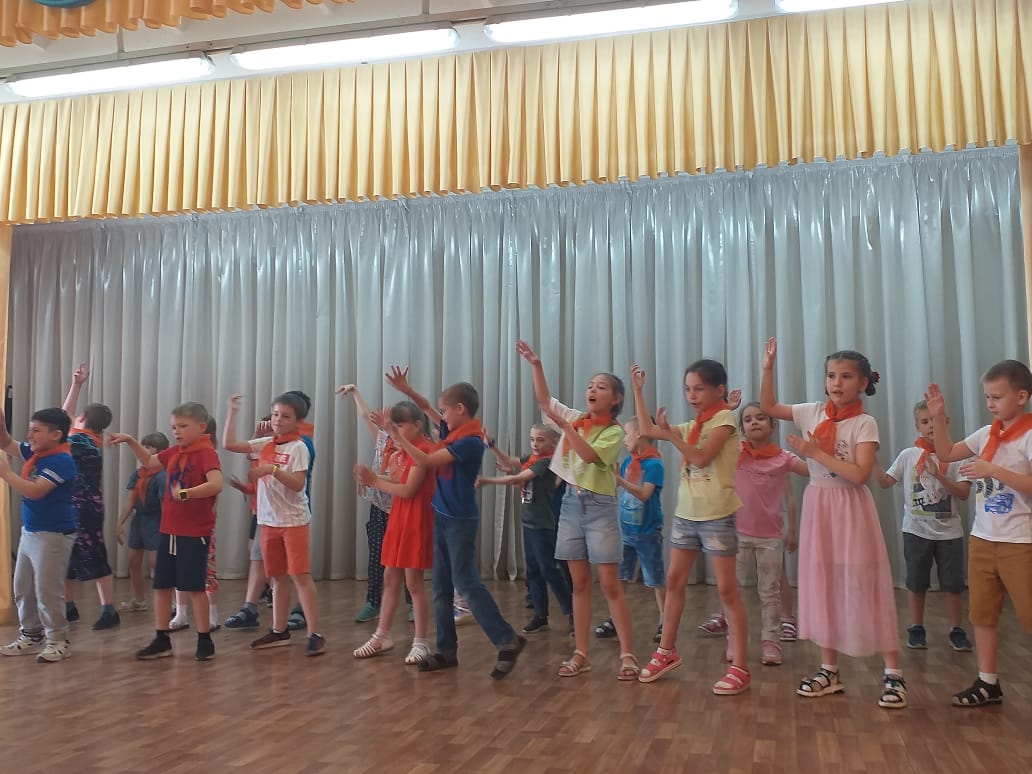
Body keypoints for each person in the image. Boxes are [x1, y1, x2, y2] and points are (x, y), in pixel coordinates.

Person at [760, 338, 906, 708]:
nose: (836, 382)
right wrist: (768, 368)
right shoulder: (812, 411)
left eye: (846, 376)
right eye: (831, 376)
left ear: (862, 383)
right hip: (820, 505)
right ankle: (829, 670)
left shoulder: (865, 423)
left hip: (851, 509)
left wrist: (815, 453)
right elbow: (769, 407)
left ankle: (894, 674)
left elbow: (859, 475)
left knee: (865, 584)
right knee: (823, 583)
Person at [385, 366, 526, 679]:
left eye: (446, 410)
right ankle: (446, 651)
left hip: (459, 520)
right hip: (442, 515)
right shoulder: (455, 432)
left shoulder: (470, 442)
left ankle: (507, 639)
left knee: (466, 583)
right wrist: (407, 390)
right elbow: (427, 408)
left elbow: (425, 460)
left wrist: (397, 435)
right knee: (441, 588)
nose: (442, 417)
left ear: (460, 409)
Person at [516, 341, 638, 681]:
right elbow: (545, 402)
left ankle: (627, 654)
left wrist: (566, 427)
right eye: (590, 386)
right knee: (579, 584)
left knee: (610, 584)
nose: (592, 391)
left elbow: (589, 456)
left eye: (601, 387)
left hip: (599, 507)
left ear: (616, 399)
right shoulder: (576, 419)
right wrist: (536, 365)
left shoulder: (613, 432)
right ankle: (581, 653)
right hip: (571, 504)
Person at [632, 361, 751, 695]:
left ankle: (740, 667)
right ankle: (666, 651)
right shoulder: (692, 425)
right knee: (673, 581)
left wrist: (671, 435)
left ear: (719, 390)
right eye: (687, 389)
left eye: (698, 389)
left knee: (726, 590)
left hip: (717, 514)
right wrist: (639, 392)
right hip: (687, 514)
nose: (691, 395)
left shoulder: (724, 419)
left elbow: (701, 458)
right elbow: (646, 431)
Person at [926, 362, 1032, 707]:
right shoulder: (987, 433)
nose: (990, 403)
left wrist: (992, 470)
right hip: (983, 539)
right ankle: (988, 682)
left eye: (997, 397)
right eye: (987, 397)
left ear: (1021, 396)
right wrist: (938, 417)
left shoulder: (1029, 435)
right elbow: (946, 453)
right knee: (983, 614)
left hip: (1020, 542)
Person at [111, 402, 222, 661]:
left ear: (201, 427)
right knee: (161, 586)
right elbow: (150, 461)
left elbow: (216, 484)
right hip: (169, 530)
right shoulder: (175, 452)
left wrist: (185, 493)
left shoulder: (206, 453)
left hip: (194, 532)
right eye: (174, 427)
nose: (177, 431)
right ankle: (162, 639)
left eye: (183, 426)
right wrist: (130, 441)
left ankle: (204, 639)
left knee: (195, 588)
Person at [223, 392, 325, 656]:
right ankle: (279, 631)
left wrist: (272, 469)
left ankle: (315, 633)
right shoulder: (266, 443)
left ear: (297, 421)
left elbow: (298, 484)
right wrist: (231, 412)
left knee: (300, 576)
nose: (278, 420)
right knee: (277, 578)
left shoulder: (299, 447)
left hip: (293, 521)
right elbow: (229, 444)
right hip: (268, 521)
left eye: (285, 416)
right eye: (276, 414)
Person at [874, 400, 972, 652]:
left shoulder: (958, 455)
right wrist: (870, 459)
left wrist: (939, 475)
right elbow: (885, 482)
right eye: (925, 422)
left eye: (935, 420)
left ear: (946, 422)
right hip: (915, 531)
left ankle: (956, 629)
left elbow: (963, 493)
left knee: (953, 584)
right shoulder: (909, 455)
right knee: (916, 582)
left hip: (950, 532)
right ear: (917, 426)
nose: (930, 426)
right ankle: (916, 627)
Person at [352, 401, 436, 664]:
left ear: (418, 425)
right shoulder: (405, 449)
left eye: (400, 425)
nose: (395, 431)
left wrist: (375, 480)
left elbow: (409, 490)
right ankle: (381, 636)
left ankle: (420, 642)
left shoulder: (425, 449)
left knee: (414, 583)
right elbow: (399, 480)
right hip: (399, 517)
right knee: (390, 577)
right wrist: (371, 478)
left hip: (416, 519)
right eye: (394, 426)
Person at [730, 402, 807, 666]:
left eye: (761, 418)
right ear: (742, 428)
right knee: (732, 591)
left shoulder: (783, 458)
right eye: (748, 419)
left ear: (773, 425)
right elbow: (716, 439)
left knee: (770, 592)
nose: (754, 422)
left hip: (770, 538)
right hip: (737, 536)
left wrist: (815, 450)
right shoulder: (736, 453)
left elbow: (812, 470)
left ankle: (771, 642)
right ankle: (734, 640)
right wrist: (728, 410)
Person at [478, 423, 573, 635]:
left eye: (540, 440)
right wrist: (492, 445)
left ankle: (572, 612)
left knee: (549, 570)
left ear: (554, 442)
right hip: (529, 523)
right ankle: (540, 615)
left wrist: (487, 480)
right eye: (532, 439)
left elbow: (518, 478)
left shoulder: (547, 462)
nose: (535, 444)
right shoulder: (533, 459)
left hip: (543, 525)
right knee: (534, 571)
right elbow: (510, 462)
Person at [0, 407, 77, 663]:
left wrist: (6, 473)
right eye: (30, 430)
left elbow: (36, 491)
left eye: (36, 431)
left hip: (53, 534)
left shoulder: (61, 460)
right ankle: (31, 635)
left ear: (56, 434)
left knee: (47, 591)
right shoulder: (36, 453)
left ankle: (58, 640)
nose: (30, 436)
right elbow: (6, 443)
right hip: (31, 531)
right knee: (22, 587)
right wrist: (1, 427)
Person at [338, 384, 412, 623]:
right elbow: (364, 415)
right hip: (380, 507)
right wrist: (355, 391)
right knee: (377, 555)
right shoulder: (382, 439)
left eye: (397, 425)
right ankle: (373, 602)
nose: (391, 428)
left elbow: (400, 478)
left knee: (407, 559)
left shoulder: (409, 448)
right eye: (391, 424)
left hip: (402, 508)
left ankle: (412, 602)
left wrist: (371, 477)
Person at [595, 417, 666, 644]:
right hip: (626, 532)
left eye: (627, 433)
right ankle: (615, 619)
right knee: (620, 576)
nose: (624, 439)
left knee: (655, 579)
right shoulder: (628, 462)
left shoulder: (654, 465)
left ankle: (665, 621)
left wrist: (619, 480)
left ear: (640, 434)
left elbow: (644, 494)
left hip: (648, 532)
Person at [60, 363, 118, 630]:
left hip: (82, 507)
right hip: (84, 505)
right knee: (68, 554)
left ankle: (108, 610)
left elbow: (63, 417)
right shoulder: (91, 439)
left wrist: (77, 385)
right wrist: (77, 385)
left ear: (82, 418)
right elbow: (66, 416)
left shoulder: (78, 442)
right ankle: (69, 607)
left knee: (93, 554)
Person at [223, 417, 272, 630]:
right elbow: (255, 476)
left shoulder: (291, 447)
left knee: (272, 559)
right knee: (255, 553)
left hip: (277, 514)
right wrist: (257, 437)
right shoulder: (260, 450)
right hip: (259, 512)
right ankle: (252, 604)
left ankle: (274, 595)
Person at [117, 432, 170, 612]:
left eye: (149, 447)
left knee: (156, 562)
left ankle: (170, 601)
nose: (144, 450)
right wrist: (120, 523)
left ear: (161, 452)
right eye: (144, 446)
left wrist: (167, 528)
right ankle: (139, 600)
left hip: (156, 519)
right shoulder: (139, 474)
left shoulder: (162, 476)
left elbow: (165, 505)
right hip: (140, 519)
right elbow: (131, 500)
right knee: (133, 561)